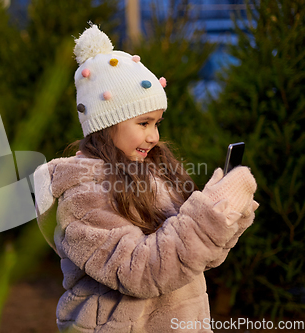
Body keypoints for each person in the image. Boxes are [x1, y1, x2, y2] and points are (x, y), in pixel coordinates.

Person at [32, 24, 258, 333]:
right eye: (143, 122)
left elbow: (196, 259)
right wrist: (211, 213)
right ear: (105, 123)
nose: (154, 136)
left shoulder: (153, 172)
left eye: (157, 123)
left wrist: (228, 211)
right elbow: (141, 272)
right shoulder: (83, 195)